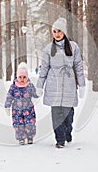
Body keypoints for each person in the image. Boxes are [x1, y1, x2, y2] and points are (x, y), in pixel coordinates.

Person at [36, 17, 85, 148]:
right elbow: (44, 69)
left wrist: (82, 85)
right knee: (56, 115)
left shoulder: (73, 47)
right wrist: (39, 86)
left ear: (64, 32)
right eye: (54, 31)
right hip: (54, 84)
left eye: (59, 31)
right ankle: (60, 139)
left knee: (68, 115)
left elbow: (79, 66)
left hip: (69, 84)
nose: (57, 34)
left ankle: (68, 131)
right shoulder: (48, 49)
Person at [4, 62, 40, 145]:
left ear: (27, 77)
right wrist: (7, 106)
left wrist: (38, 92)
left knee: (30, 123)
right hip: (17, 110)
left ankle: (30, 137)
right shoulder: (13, 86)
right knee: (18, 124)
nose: (22, 79)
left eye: (24, 77)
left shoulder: (30, 86)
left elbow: (35, 94)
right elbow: (9, 97)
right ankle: (21, 138)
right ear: (17, 77)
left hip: (28, 109)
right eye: (20, 77)